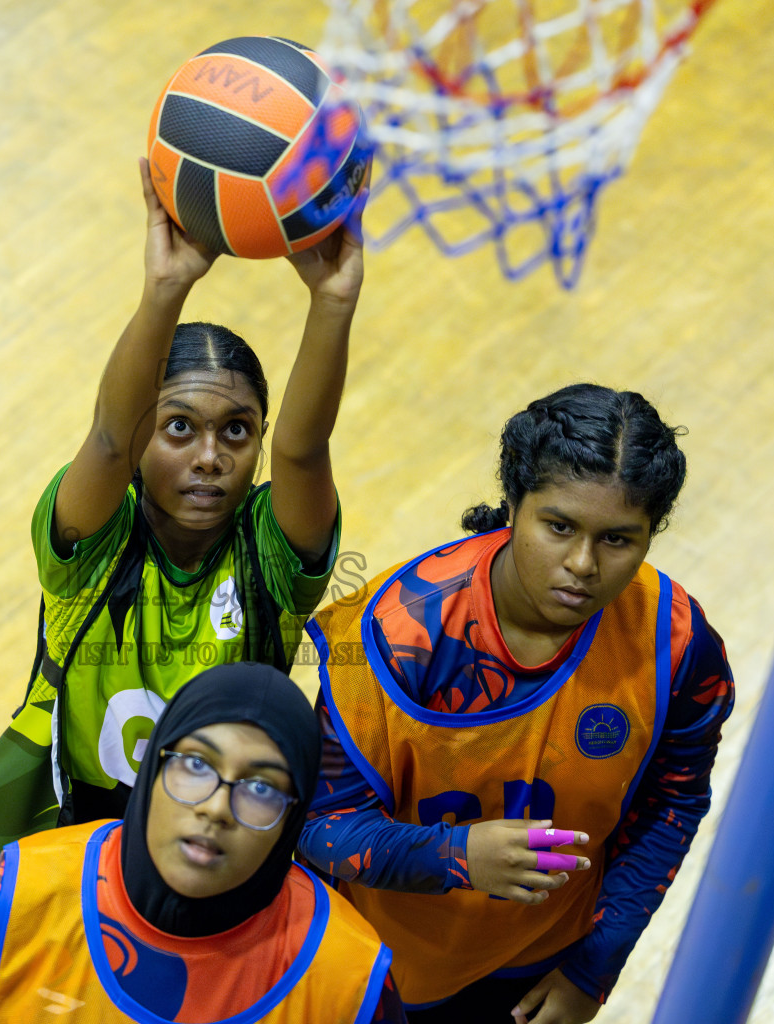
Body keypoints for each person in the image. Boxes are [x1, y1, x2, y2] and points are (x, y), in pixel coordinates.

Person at [0, 161, 366, 1022]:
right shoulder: (94, 542)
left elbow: (305, 452)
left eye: (237, 432)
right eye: (178, 428)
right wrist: (163, 292)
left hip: (199, 824)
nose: (210, 456)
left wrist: (331, 304)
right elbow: (109, 438)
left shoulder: (270, 553)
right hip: (46, 801)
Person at [296, 384, 735, 1024]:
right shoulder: (397, 637)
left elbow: (674, 802)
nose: (582, 564)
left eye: (618, 540)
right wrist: (459, 858)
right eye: (558, 527)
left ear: (651, 534)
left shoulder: (678, 646)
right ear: (512, 506)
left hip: (541, 967)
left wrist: (594, 967)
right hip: (384, 971)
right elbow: (320, 826)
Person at [0, 663, 407, 1023]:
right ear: (153, 765)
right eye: (194, 764)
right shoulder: (16, 891)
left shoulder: (350, 980)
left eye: (260, 787)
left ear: (291, 815)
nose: (215, 806)